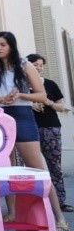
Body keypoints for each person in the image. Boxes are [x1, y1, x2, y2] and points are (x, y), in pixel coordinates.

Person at [0, 31, 70, 231]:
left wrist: (20, 94)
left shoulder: (24, 65)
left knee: (37, 168)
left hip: (21, 114)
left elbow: (42, 95)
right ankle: (11, 212)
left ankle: (59, 217)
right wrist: (3, 99)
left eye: (3, 44)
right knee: (6, 168)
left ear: (11, 46)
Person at [27, 53, 73, 212]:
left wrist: (47, 102)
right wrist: (30, 105)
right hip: (28, 128)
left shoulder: (51, 84)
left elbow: (62, 106)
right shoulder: (22, 84)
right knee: (30, 167)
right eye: (35, 64)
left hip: (50, 127)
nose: (38, 68)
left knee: (54, 165)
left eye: (41, 65)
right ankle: (33, 201)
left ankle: (60, 201)